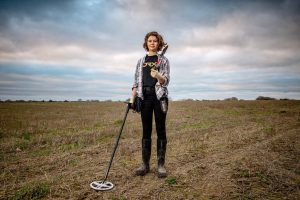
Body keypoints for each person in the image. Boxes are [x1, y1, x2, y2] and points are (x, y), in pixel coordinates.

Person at [131, 31, 170, 178]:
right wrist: (132, 99)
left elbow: (166, 80)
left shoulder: (164, 60)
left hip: (159, 97)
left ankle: (160, 165)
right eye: (149, 41)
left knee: (161, 129)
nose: (152, 43)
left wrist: (158, 75)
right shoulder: (141, 61)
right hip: (144, 96)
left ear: (158, 43)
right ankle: (145, 165)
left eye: (155, 41)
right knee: (146, 130)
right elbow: (135, 82)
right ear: (146, 43)